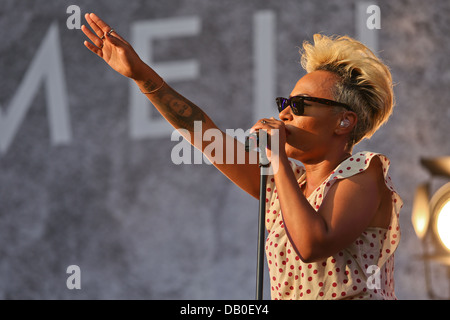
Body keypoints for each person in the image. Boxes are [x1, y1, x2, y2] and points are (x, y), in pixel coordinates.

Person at [81, 13, 403, 300]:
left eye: (300, 105)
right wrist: (142, 76)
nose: (286, 113)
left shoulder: (364, 172)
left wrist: (276, 159)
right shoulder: (281, 187)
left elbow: (312, 244)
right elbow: (204, 135)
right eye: (284, 103)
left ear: (344, 122)